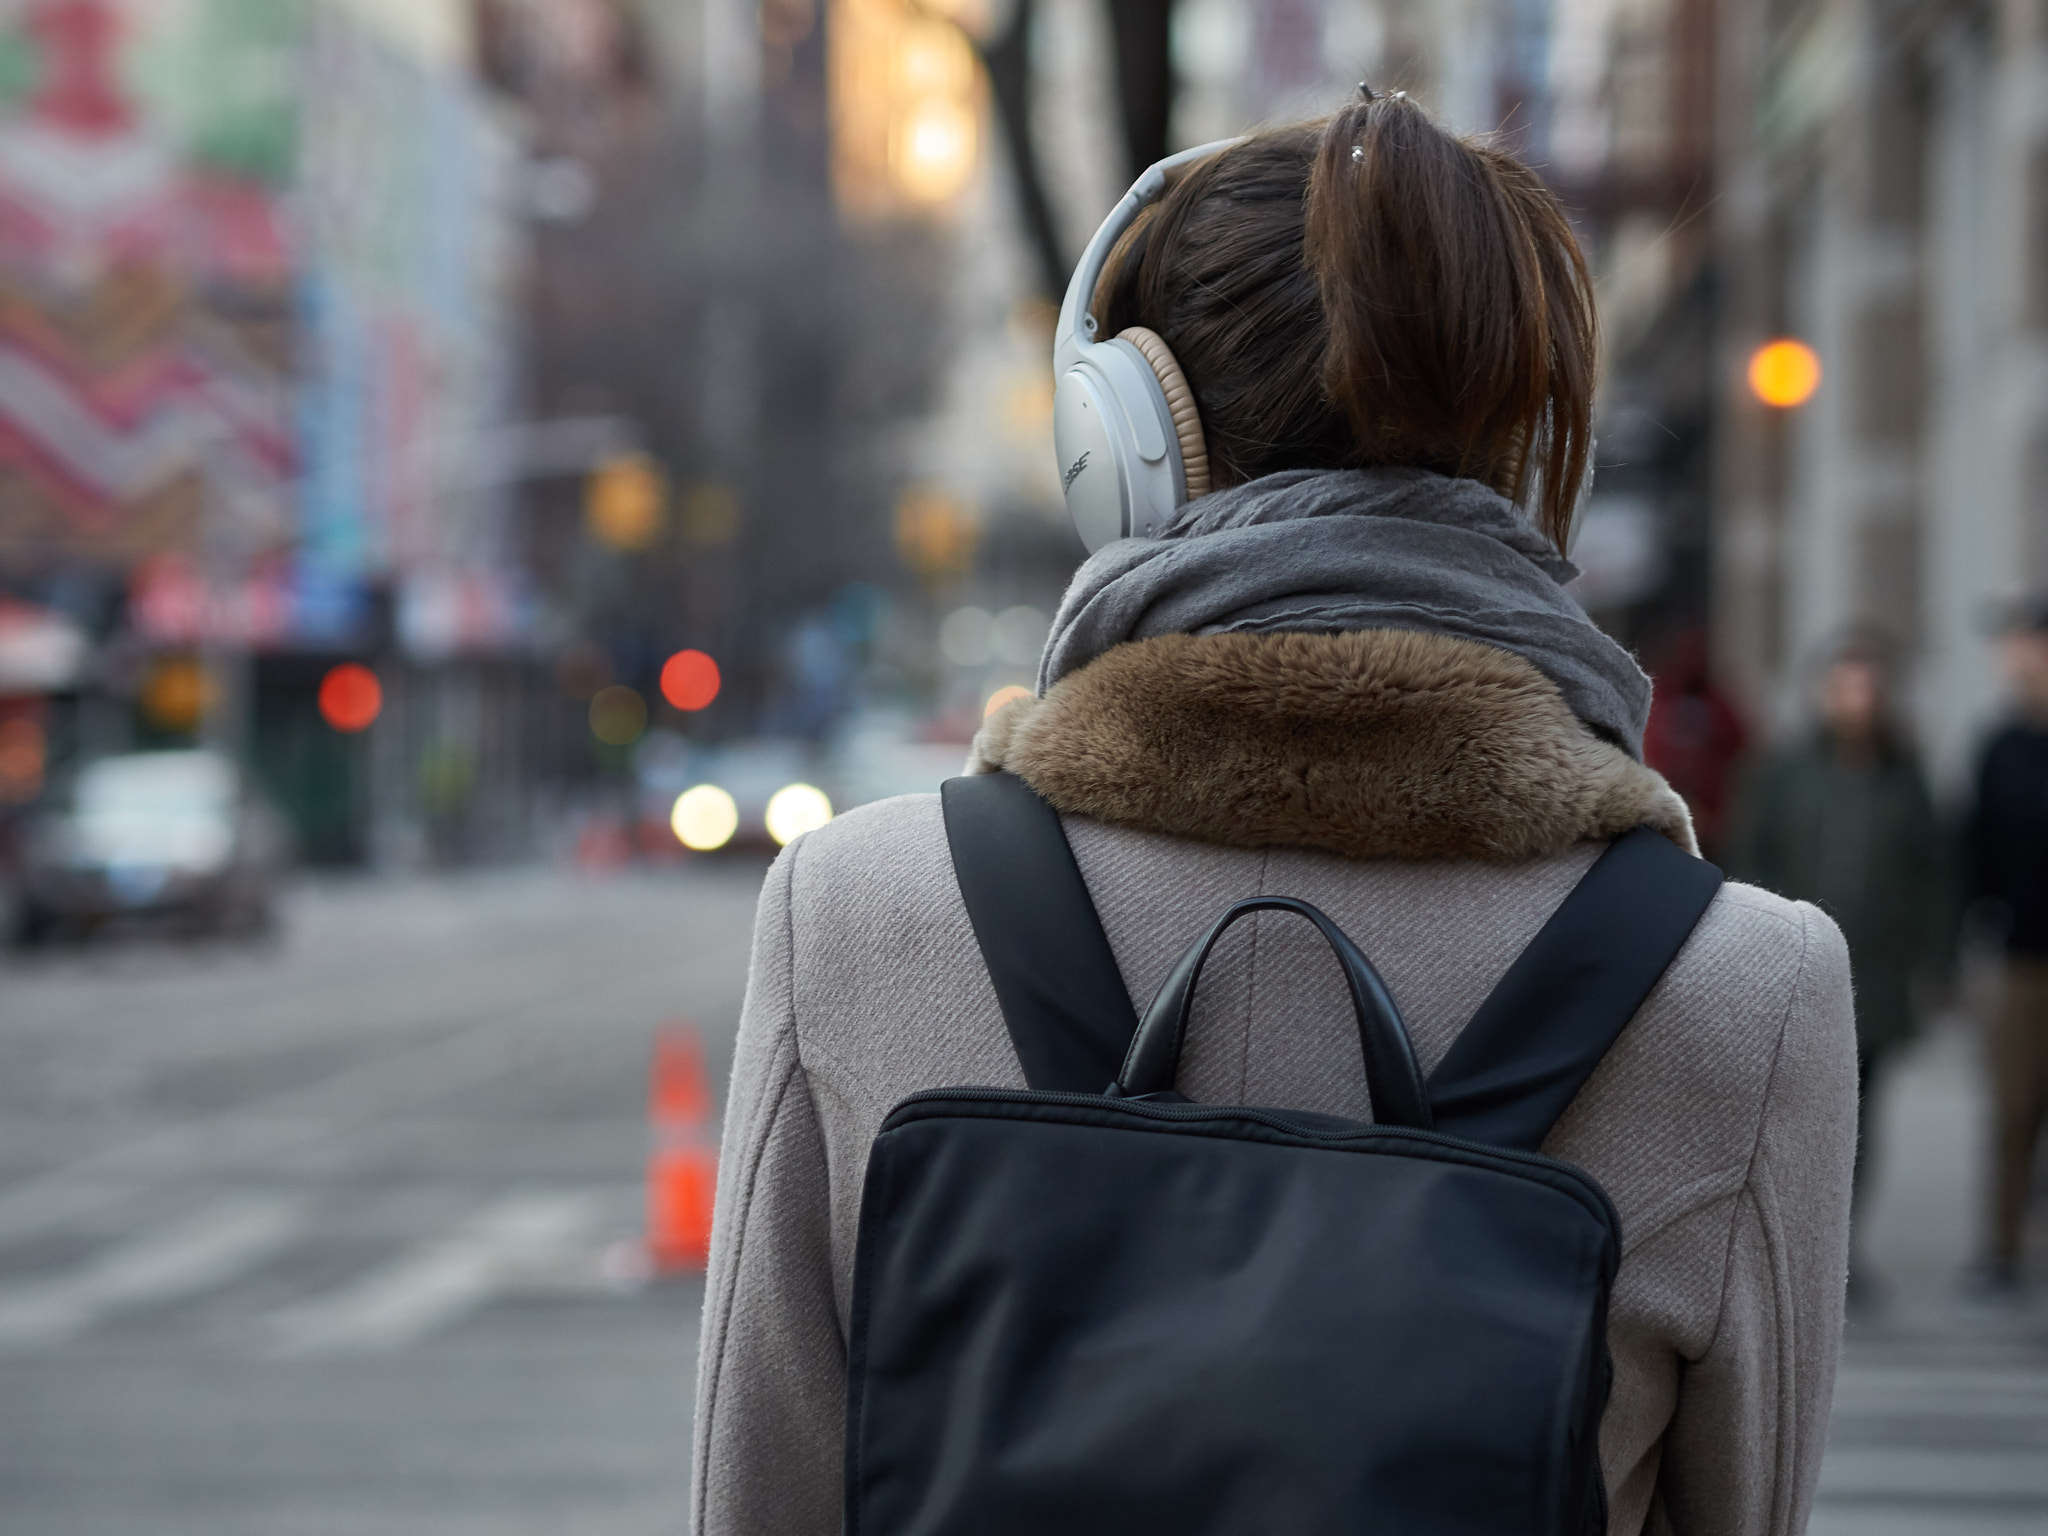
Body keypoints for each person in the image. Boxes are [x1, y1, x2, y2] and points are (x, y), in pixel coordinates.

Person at [693, 100, 1854, 1536]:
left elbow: (757, 1503)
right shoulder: (1749, 987)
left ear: (1118, 444)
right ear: (1540, 463)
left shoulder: (851, 912)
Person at [1726, 633, 1947, 1290]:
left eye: (1867, 689)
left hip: (1873, 981)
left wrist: (1936, 960)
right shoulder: (1785, 772)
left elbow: (1933, 874)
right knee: (1789, 1124)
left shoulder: (1904, 779)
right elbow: (1752, 858)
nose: (1855, 701)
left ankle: (1840, 1250)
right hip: (1790, 977)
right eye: (1844, 687)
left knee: (1857, 1122)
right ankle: (1783, 1252)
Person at [1965, 600, 2048, 1293]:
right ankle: (2001, 1250)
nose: (2013, 661)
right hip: (2021, 956)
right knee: (2013, 1109)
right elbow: (1976, 849)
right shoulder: (2001, 746)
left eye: (2023, 646)